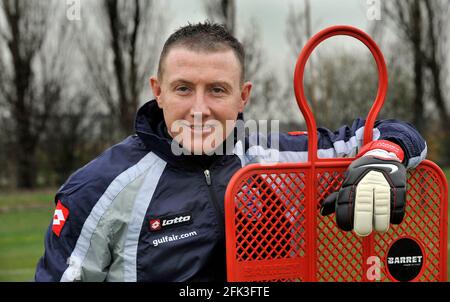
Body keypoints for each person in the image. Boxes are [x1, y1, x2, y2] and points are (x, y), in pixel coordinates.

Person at [35, 22, 427, 282]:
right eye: (183, 88)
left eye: (217, 90)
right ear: (158, 91)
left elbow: (394, 132)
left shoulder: (278, 157)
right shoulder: (96, 188)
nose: (199, 109)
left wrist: (384, 155)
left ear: (243, 97)